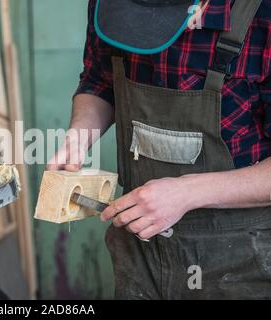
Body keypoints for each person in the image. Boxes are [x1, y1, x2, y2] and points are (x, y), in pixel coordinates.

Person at [47, 0, 271, 299]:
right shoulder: (111, 8)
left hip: (239, 256)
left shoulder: (261, 14)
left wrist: (186, 193)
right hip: (138, 249)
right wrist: (78, 138)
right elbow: (100, 80)